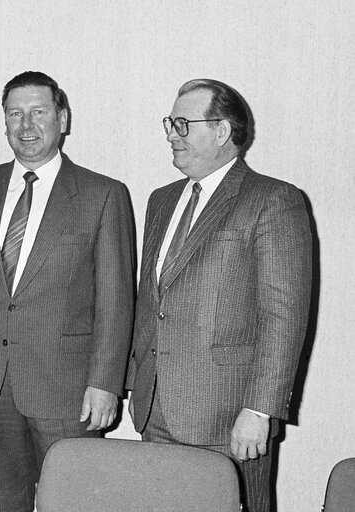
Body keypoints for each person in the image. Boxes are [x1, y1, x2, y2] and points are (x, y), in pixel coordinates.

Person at [126, 79, 312, 512]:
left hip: (228, 418)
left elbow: (283, 317)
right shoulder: (161, 200)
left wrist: (260, 411)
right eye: (170, 123)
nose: (171, 133)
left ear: (222, 131)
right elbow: (152, 303)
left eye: (182, 124)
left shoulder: (273, 200)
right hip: (156, 412)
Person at [0, 71, 135, 512]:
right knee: (5, 502)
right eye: (15, 114)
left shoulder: (102, 194)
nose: (26, 126)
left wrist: (106, 383)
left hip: (68, 388)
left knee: (71, 502)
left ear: (63, 118)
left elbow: (117, 300)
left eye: (38, 112)